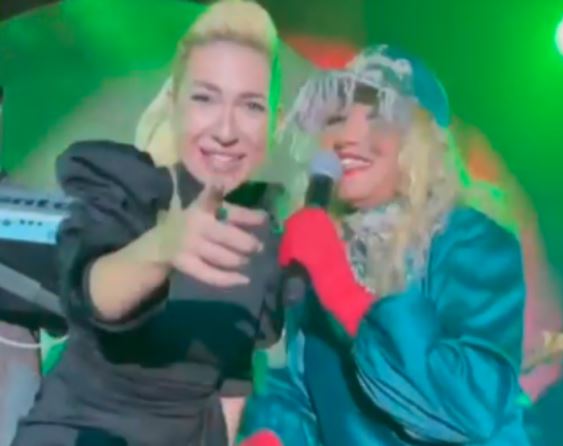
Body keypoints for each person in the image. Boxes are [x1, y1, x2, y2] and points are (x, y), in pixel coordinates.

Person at [12, 1, 286, 445]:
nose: (226, 130)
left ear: (275, 122)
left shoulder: (262, 240)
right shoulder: (123, 187)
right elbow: (93, 293)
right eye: (205, 98)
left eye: (251, 106)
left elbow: (233, 382)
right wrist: (163, 246)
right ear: (174, 105)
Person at [240, 45, 530, 445]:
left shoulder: (470, 242)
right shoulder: (314, 249)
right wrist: (269, 434)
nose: (347, 136)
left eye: (378, 116)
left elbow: (469, 410)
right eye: (337, 118)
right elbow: (293, 395)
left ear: (421, 140)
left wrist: (341, 289)